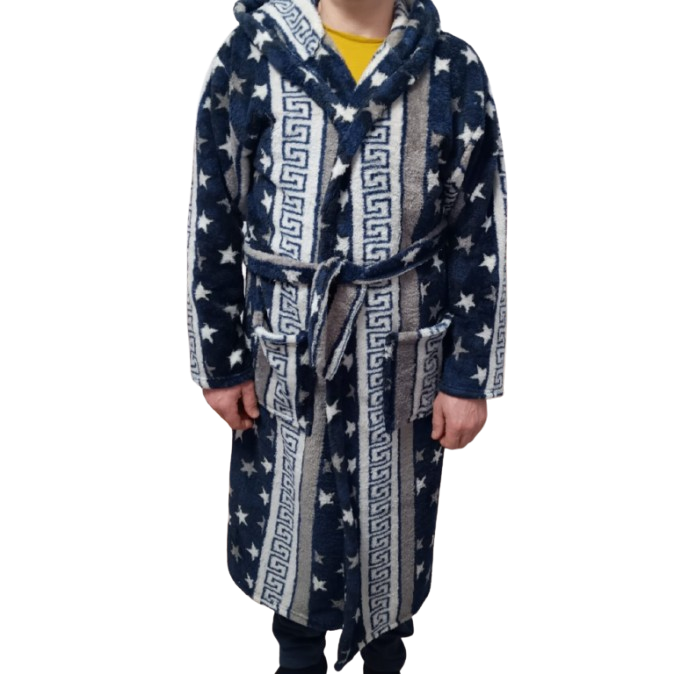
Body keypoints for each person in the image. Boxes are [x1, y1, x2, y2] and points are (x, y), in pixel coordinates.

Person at [185, 0, 508, 671]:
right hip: (287, 346)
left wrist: (469, 378)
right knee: (293, 536)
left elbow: (480, 233)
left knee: (393, 554)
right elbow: (213, 214)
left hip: (401, 345)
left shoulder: (453, 66)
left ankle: (386, 653)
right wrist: (220, 362)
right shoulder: (251, 55)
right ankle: (296, 655)